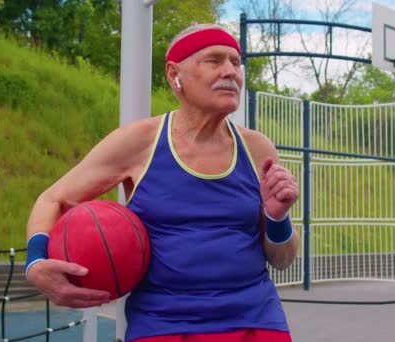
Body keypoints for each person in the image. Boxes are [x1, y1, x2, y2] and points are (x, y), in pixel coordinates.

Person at [25, 23, 301, 342]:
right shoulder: (140, 142)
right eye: (214, 60)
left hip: (256, 321)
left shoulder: (258, 149)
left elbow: (282, 260)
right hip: (165, 326)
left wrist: (277, 217)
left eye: (236, 62)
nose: (231, 71)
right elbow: (53, 199)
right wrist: (35, 263)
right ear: (174, 75)